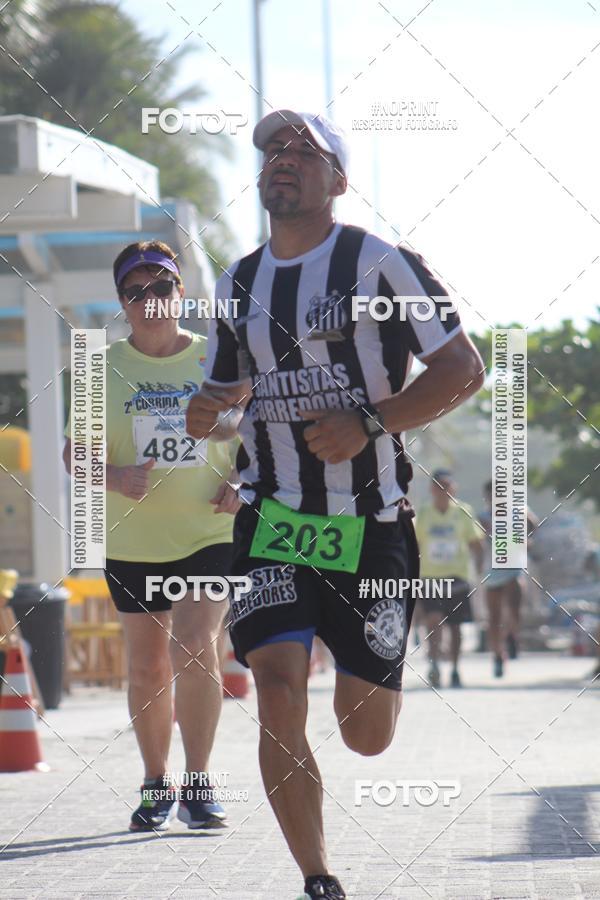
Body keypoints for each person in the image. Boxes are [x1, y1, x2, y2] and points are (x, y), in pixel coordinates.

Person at [186, 110, 485, 900]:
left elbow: (463, 368)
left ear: (339, 180)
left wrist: (370, 423)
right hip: (271, 520)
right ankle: (318, 878)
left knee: (366, 736)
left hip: (372, 527)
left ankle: (373, 676)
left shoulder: (382, 263)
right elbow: (225, 394)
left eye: (302, 151)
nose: (281, 161)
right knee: (278, 690)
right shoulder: (238, 282)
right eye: (271, 151)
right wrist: (206, 411)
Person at [63, 240, 241, 832]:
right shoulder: (97, 364)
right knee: (145, 668)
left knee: (194, 645)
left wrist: (244, 479)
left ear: (180, 294)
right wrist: (113, 474)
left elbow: (262, 432)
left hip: (210, 532)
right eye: (136, 292)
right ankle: (155, 780)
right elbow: (72, 454)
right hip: (133, 540)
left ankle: (199, 780)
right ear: (122, 302)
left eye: (161, 287)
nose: (150, 301)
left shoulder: (217, 356)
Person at [414, 469, 484, 688]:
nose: (444, 490)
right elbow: (416, 545)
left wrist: (478, 571)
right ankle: (434, 663)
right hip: (430, 578)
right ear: (432, 489)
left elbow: (476, 544)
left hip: (458, 577)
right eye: (439, 485)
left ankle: (454, 668)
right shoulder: (423, 513)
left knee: (455, 627)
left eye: (448, 486)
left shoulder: (464, 511)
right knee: (433, 622)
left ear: (454, 488)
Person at [479, 480, 538, 677]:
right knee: (493, 617)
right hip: (492, 571)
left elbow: (533, 526)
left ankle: (511, 635)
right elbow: (478, 541)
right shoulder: (483, 516)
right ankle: (497, 654)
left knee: (515, 612)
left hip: (514, 569)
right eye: (490, 496)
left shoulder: (518, 510)